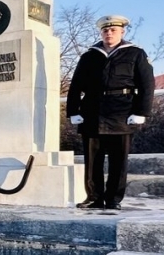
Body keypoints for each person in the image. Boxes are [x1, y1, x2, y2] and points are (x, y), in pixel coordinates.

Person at [66, 15, 155, 210]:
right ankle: (94, 197)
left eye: (113, 30)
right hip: (92, 111)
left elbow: (147, 85)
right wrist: (73, 110)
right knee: (92, 160)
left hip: (122, 111)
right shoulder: (89, 55)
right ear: (101, 33)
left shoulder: (135, 53)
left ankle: (113, 199)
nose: (109, 33)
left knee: (118, 160)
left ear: (122, 32)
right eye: (105, 30)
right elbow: (76, 85)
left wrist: (141, 111)